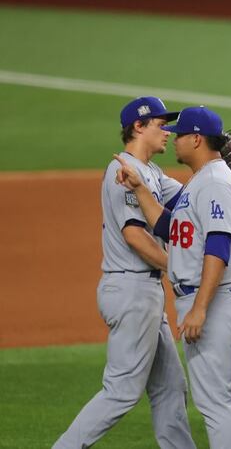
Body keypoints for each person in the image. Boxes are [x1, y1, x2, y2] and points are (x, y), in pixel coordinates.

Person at [53, 97, 195, 449]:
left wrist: (219, 163)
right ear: (139, 126)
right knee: (121, 393)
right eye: (161, 124)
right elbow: (135, 236)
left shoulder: (152, 174)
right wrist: (178, 267)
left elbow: (192, 199)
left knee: (169, 387)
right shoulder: (122, 172)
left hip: (145, 293)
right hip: (131, 290)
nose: (168, 131)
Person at [114, 106, 231, 448]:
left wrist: (200, 308)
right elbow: (170, 228)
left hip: (214, 301)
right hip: (209, 298)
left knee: (214, 403)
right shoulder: (202, 181)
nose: (173, 140)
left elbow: (218, 247)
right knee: (221, 400)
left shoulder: (216, 182)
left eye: (179, 135)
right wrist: (140, 188)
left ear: (196, 139)